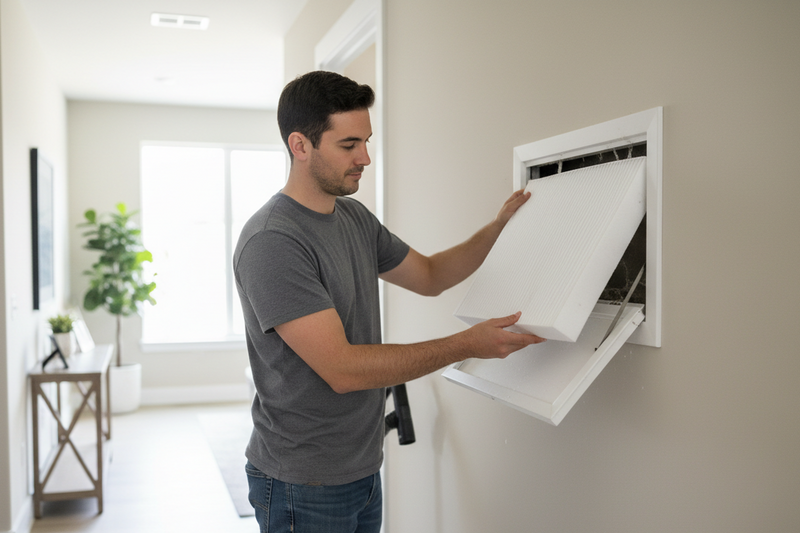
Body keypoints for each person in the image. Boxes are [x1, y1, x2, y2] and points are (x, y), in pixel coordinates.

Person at [234, 70, 545, 533]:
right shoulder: (273, 241)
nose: (365, 157)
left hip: (361, 467)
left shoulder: (354, 218)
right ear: (300, 146)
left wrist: (498, 229)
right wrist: (466, 344)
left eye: (367, 141)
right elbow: (343, 370)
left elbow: (431, 275)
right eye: (348, 145)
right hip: (303, 482)